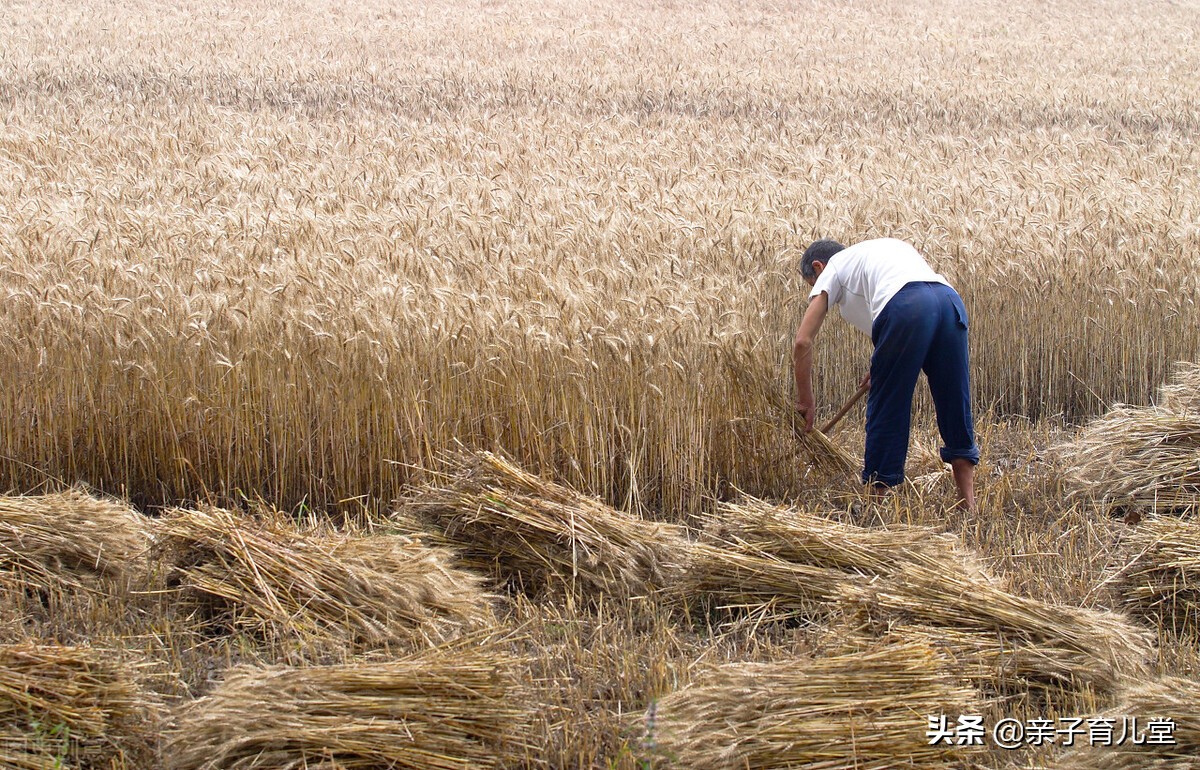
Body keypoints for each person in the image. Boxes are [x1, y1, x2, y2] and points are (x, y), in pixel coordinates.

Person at [792, 237, 980, 511]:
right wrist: (880, 365)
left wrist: (805, 401)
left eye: (812, 284)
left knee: (888, 406)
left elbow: (802, 342)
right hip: (949, 302)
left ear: (818, 267)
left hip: (907, 307)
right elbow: (901, 310)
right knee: (954, 401)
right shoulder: (876, 253)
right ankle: (968, 503)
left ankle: (876, 505)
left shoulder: (832, 269)